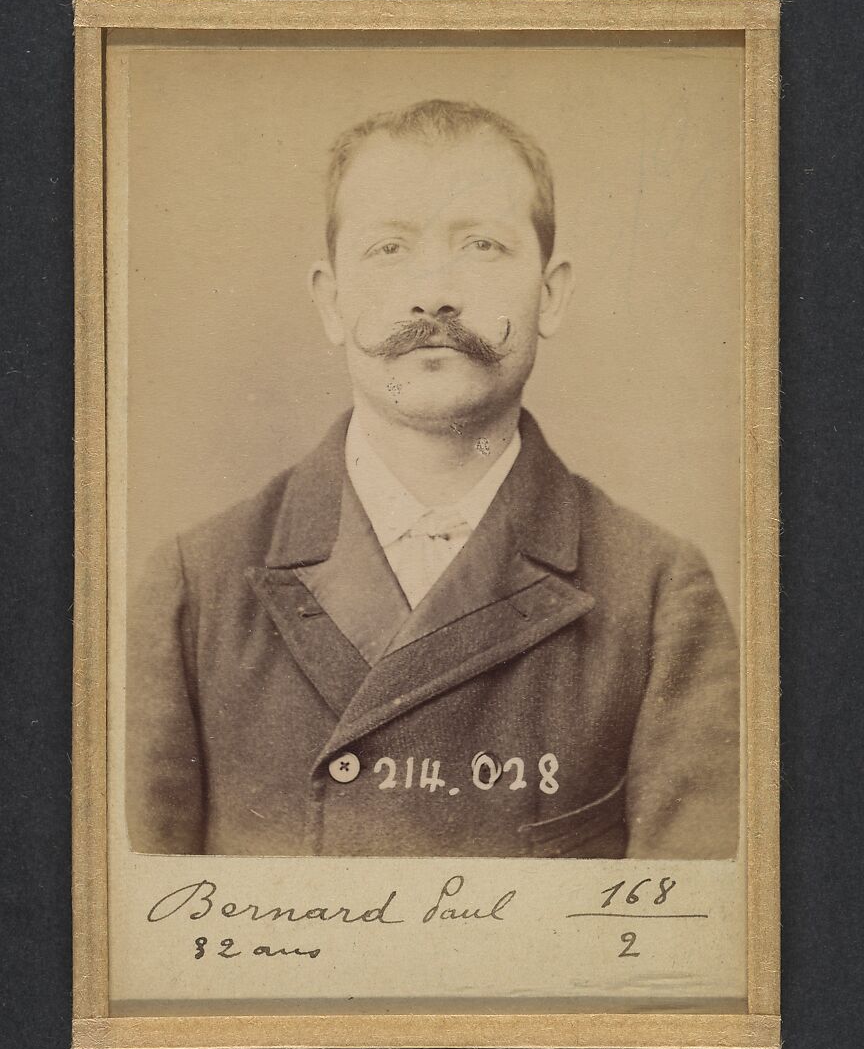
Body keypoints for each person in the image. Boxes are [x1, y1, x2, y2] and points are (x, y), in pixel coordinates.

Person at [126, 98, 739, 859]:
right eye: (389, 250)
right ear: (330, 299)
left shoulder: (659, 597)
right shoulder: (197, 586)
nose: (435, 293)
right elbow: (139, 942)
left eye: (482, 245)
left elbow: (686, 953)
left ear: (550, 294)